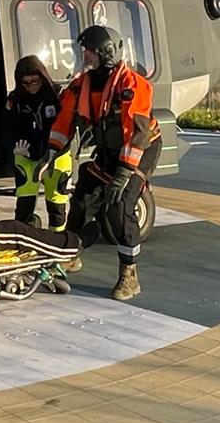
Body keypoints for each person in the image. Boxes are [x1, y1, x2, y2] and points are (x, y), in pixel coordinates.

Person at [45, 24, 162, 300]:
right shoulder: (80, 86)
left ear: (106, 52)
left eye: (89, 52)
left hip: (140, 150)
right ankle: (71, 255)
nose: (84, 57)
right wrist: (51, 151)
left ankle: (129, 276)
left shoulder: (133, 85)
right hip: (111, 151)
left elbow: (138, 133)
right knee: (82, 198)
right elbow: (64, 123)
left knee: (120, 205)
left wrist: (125, 173)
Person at [2, 55, 71, 231]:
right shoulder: (14, 100)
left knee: (57, 206)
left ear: (43, 76)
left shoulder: (58, 96)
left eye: (35, 81)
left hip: (57, 155)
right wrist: (13, 148)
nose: (32, 86)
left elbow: (68, 124)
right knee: (24, 205)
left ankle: (56, 245)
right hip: (26, 156)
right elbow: (6, 128)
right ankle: (25, 242)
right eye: (26, 83)